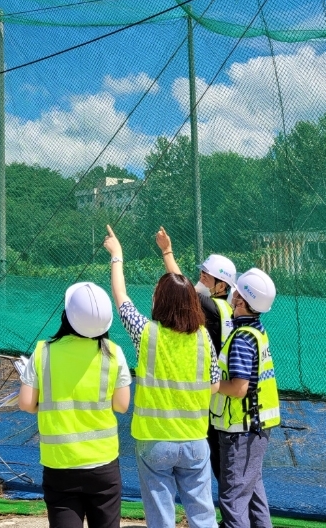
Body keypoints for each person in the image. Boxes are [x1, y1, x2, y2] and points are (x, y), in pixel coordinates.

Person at [102, 225, 220, 528]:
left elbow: (121, 298)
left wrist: (117, 255)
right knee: (203, 514)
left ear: (159, 301)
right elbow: (215, 384)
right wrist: (167, 252)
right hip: (195, 439)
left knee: (160, 517)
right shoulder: (203, 338)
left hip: (154, 442)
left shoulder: (146, 334)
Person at [17, 282, 131, 528]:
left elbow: (26, 403)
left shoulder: (43, 352)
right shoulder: (113, 353)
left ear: (67, 316)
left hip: (60, 464)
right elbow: (122, 405)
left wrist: (45, 404)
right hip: (103, 463)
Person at [155, 227, 236, 480]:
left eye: (206, 275)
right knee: (226, 469)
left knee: (223, 470)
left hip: (215, 397)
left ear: (221, 286)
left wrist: (167, 251)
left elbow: (183, 286)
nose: (200, 278)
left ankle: (233, 519)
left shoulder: (213, 307)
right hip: (220, 397)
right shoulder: (227, 309)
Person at [209, 268, 280, 528]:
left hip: (240, 429)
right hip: (256, 427)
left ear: (241, 299)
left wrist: (211, 386)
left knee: (233, 498)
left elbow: (239, 388)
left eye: (236, 290)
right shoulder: (256, 331)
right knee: (253, 491)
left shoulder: (241, 339)